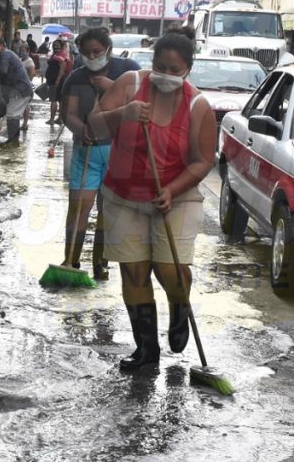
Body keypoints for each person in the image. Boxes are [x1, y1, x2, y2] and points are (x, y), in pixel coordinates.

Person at [89, 26, 217, 370]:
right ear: (152, 62)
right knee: (133, 272)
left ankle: (179, 303)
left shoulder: (198, 105)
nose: (166, 75)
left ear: (188, 69)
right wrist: (124, 113)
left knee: (169, 269)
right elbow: (94, 125)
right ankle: (147, 352)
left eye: (175, 70)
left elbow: (205, 159)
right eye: (160, 66)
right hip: (123, 194)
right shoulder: (130, 85)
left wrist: (172, 189)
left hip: (175, 198)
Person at [60, 28, 141, 281]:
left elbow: (142, 101)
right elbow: (69, 113)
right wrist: (79, 128)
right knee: (79, 207)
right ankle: (70, 260)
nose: (91, 57)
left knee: (108, 210)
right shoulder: (75, 78)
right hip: (87, 152)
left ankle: (101, 262)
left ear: (108, 49)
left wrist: (113, 86)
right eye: (85, 53)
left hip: (120, 153)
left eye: (96, 51)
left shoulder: (128, 71)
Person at [0, 37, 34, 147]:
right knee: (12, 115)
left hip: (20, 90)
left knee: (12, 115)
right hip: (19, 90)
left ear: (1, 45)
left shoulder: (5, 55)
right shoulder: (6, 55)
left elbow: (2, 71)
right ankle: (13, 140)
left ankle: (13, 142)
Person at [45, 39, 73, 125]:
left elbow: (62, 68)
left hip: (56, 80)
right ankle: (59, 119)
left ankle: (52, 119)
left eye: (57, 45)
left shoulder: (61, 55)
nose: (56, 47)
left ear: (61, 46)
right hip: (55, 79)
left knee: (54, 100)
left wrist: (58, 79)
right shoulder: (57, 54)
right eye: (54, 45)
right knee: (59, 100)